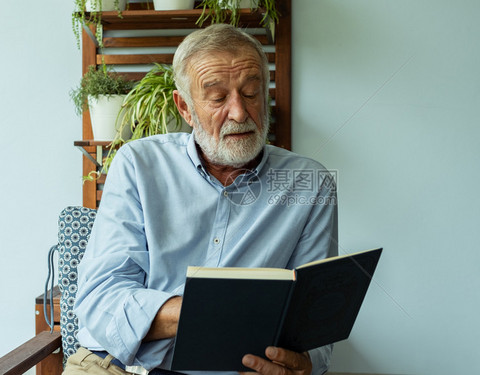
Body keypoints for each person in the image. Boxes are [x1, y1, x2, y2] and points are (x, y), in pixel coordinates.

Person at [67, 24, 338, 375]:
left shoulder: (310, 183)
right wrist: (211, 311)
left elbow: (314, 319)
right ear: (185, 107)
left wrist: (302, 365)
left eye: (252, 92)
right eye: (218, 97)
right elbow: (102, 297)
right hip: (118, 366)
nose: (240, 113)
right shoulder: (138, 164)